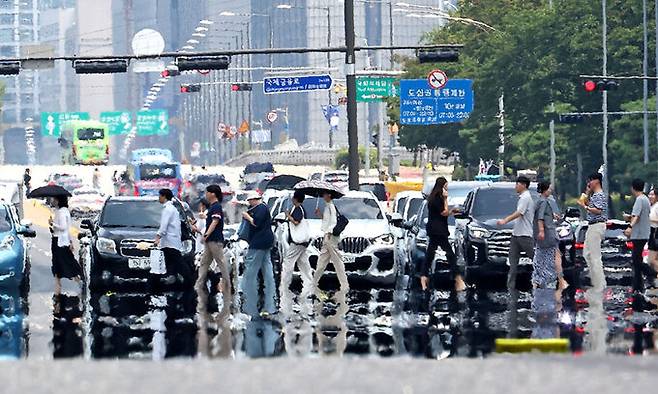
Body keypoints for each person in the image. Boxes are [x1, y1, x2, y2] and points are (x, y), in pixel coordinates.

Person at [419, 177, 466, 292]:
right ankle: (458, 279)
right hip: (438, 231)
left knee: (430, 255)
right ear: (442, 185)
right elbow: (444, 212)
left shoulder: (433, 197)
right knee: (450, 255)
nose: (447, 187)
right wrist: (446, 199)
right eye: (446, 185)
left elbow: (443, 213)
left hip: (434, 230)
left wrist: (452, 211)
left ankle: (424, 278)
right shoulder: (437, 198)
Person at [497, 176, 535, 294]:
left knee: (535, 258)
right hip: (516, 234)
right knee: (513, 262)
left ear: (524, 185)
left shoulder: (526, 197)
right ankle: (511, 286)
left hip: (524, 234)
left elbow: (519, 213)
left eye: (517, 184)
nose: (516, 186)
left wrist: (505, 220)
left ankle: (545, 280)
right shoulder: (522, 197)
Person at [242, 191, 276, 317]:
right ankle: (270, 304)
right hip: (265, 243)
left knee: (250, 273)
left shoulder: (261, 208)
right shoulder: (262, 208)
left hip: (259, 243)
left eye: (250, 201)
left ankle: (249, 305)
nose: (249, 204)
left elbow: (256, 223)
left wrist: (247, 217)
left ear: (254, 200)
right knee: (267, 272)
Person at [197, 185, 230, 314]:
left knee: (221, 263)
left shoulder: (216, 207)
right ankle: (199, 284)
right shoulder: (212, 207)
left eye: (207, 192)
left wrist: (206, 235)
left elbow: (215, 222)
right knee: (204, 263)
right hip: (210, 241)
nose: (206, 194)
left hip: (215, 240)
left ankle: (227, 286)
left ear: (213, 194)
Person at [279, 190, 314, 315]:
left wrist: (288, 215)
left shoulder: (298, 209)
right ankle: (309, 284)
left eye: (293, 198)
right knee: (304, 264)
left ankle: (284, 284)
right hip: (302, 243)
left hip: (297, 242)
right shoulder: (299, 208)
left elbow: (296, 222)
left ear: (295, 199)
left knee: (288, 262)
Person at [313, 191, 349, 296]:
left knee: (337, 262)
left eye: (324, 194)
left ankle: (344, 285)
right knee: (322, 261)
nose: (323, 196)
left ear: (329, 195)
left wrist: (329, 232)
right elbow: (327, 220)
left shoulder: (331, 206)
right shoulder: (327, 206)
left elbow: (333, 221)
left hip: (330, 237)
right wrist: (319, 214)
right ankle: (313, 283)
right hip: (327, 236)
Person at [577, 173, 608, 294]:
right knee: (587, 254)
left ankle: (600, 284)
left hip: (597, 225)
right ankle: (596, 281)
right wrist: (587, 192)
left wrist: (586, 207)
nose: (589, 183)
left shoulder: (599, 195)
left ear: (597, 181)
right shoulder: (594, 194)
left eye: (590, 180)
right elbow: (584, 199)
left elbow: (598, 210)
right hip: (592, 226)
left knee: (595, 256)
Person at [624, 179, 654, 292]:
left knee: (636, 261)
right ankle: (638, 286)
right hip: (644, 232)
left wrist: (630, 227)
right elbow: (638, 216)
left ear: (633, 188)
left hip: (639, 234)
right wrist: (629, 217)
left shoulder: (639, 200)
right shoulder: (645, 199)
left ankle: (652, 273)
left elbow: (636, 216)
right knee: (637, 262)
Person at [49, 195, 82, 294]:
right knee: (65, 261)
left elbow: (63, 227)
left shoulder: (62, 212)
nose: (52, 200)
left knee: (62, 262)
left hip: (59, 241)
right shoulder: (63, 211)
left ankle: (61, 286)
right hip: (62, 240)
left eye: (54, 199)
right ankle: (58, 286)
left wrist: (52, 223)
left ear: (58, 200)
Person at [532, 181, 561, 289]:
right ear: (545, 190)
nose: (550, 190)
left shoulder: (539, 201)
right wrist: (541, 231)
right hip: (547, 233)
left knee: (540, 256)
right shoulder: (544, 202)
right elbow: (540, 217)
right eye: (549, 189)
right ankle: (546, 279)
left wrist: (552, 215)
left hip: (542, 235)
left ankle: (537, 279)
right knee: (549, 256)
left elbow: (541, 214)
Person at [153, 188, 184, 285]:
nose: (159, 198)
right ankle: (168, 280)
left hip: (169, 241)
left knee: (177, 262)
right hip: (172, 240)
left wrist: (157, 238)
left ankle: (189, 280)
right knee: (171, 262)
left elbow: (163, 226)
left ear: (164, 197)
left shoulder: (168, 210)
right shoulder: (173, 209)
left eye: (160, 196)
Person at [648, 188, 658, 273]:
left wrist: (649, 220)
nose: (650, 196)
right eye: (649, 194)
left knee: (651, 261)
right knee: (652, 261)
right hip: (652, 233)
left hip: (655, 233)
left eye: (652, 194)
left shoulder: (657, 206)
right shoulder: (652, 206)